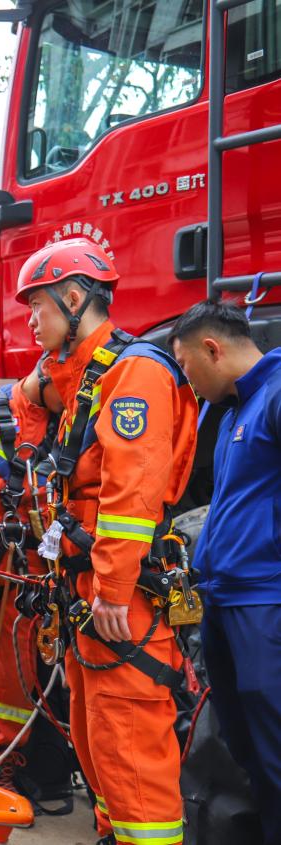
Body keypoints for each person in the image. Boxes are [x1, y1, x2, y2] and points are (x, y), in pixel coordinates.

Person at [17, 237, 196, 845]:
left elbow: (132, 493)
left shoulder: (135, 372)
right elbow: (26, 403)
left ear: (74, 298)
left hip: (123, 600)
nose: (31, 321)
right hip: (86, 594)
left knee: (131, 753)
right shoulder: (84, 377)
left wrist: (115, 589)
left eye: (38, 306)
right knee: (100, 750)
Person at [170, 300, 281, 845]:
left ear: (212, 349)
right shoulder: (236, 409)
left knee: (275, 748)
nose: (188, 381)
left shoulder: (277, 393)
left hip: (265, 603)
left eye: (187, 366)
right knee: (246, 750)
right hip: (227, 600)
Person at [0, 354, 76, 813]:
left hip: (46, 576)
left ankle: (44, 769)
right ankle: (5, 762)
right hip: (9, 573)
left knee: (48, 680)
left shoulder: (64, 416)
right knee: (8, 679)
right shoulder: (4, 415)